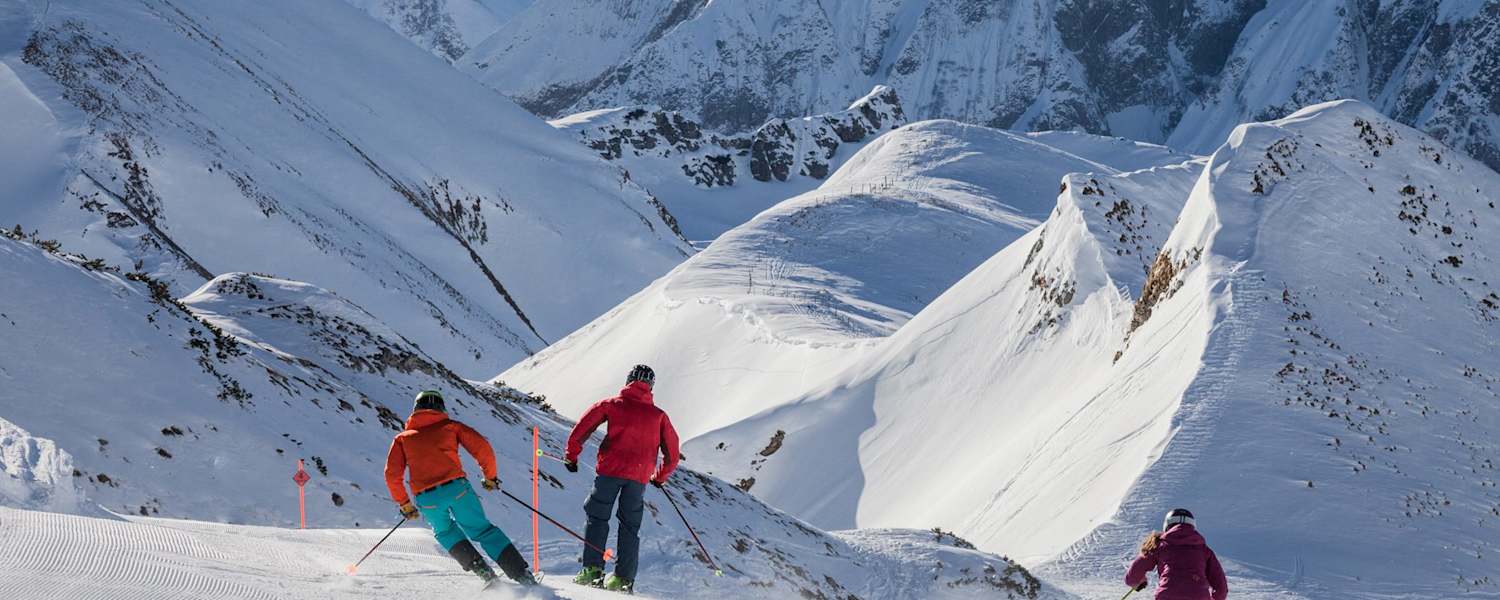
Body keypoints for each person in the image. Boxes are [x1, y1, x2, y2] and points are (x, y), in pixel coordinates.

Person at [384, 390, 535, 586]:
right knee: (482, 530)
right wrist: (490, 478)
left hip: (427, 499)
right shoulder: (451, 427)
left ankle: (485, 574)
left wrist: (405, 504)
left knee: (445, 533)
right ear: (441, 408)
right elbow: (483, 448)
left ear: (416, 409)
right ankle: (522, 576)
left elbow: (392, 475)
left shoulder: (402, 439)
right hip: (457, 490)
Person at [565, 364, 681, 593]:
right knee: (630, 526)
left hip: (610, 471)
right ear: (651, 387)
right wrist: (659, 477)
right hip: (639, 477)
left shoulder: (612, 404)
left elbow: (583, 428)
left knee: (598, 517)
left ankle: (592, 570)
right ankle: (623, 579)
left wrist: (571, 456)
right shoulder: (659, 416)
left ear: (628, 381)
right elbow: (673, 454)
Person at [1125, 508, 1228, 600]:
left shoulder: (1160, 546)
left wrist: (1137, 582)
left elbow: (1134, 573)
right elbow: (1221, 587)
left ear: (1167, 525)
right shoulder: (1204, 550)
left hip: (1167, 596)